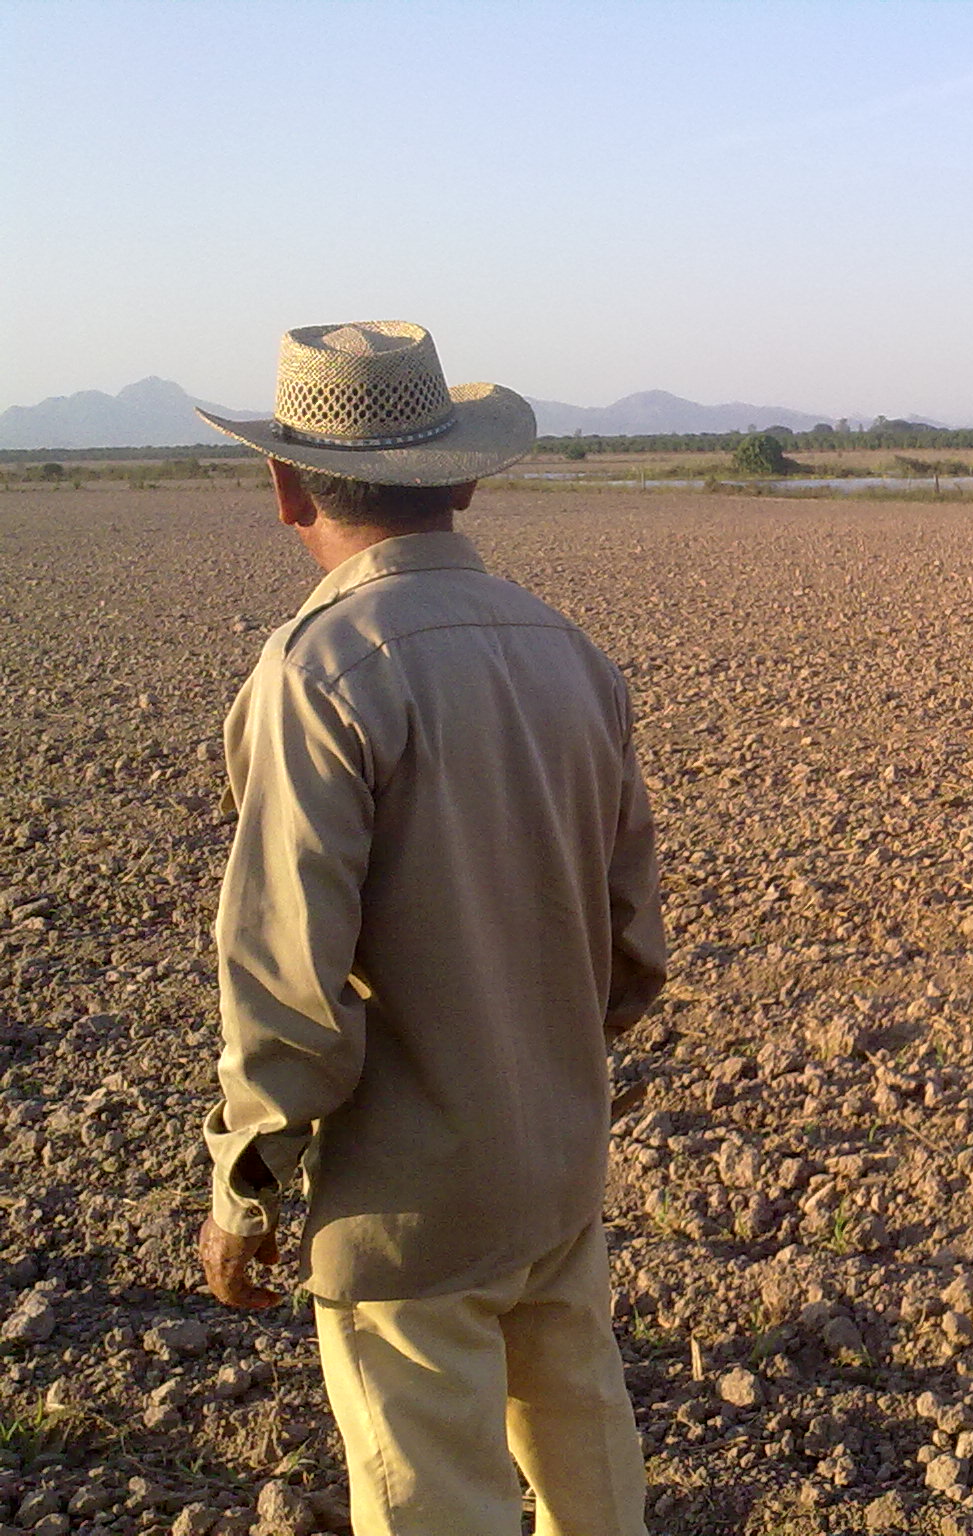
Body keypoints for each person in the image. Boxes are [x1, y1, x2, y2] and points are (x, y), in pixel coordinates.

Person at [192, 320, 667, 1536]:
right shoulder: (573, 656)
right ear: (458, 478)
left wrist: (247, 1183)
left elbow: (288, 980)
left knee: (431, 1503)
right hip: (556, 1163)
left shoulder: (316, 673)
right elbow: (630, 946)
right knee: (588, 1465)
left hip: (407, 1205)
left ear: (283, 484)